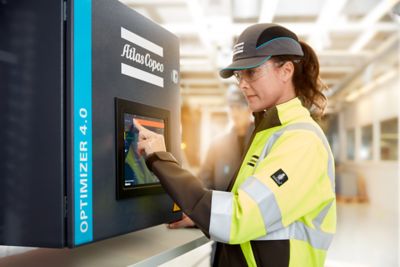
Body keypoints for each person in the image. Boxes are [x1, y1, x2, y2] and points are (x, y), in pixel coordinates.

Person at [134, 23, 336, 267]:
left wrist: (161, 160)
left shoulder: (302, 141)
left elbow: (238, 218)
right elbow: (250, 206)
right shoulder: (268, 132)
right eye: (239, 76)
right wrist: (199, 216)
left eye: (252, 72)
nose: (242, 84)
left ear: (286, 71)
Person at [168, 85, 254, 229]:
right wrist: (195, 213)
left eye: (239, 107)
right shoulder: (217, 145)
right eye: (231, 107)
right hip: (222, 227)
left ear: (250, 108)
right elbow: (204, 184)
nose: (234, 112)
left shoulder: (262, 141)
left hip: (252, 225)